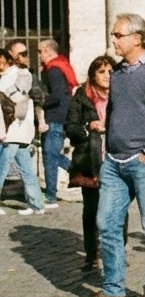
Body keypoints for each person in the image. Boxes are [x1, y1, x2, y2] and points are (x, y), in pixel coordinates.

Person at [74, 14, 145, 297]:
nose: (114, 40)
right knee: (106, 224)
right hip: (114, 163)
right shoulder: (117, 74)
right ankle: (113, 292)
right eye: (113, 35)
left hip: (144, 163)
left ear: (137, 38)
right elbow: (117, 111)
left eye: (118, 35)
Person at [65, 56, 119, 271]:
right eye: (102, 72)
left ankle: (115, 253)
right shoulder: (82, 95)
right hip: (91, 160)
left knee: (118, 209)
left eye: (110, 71)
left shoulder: (121, 94)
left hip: (116, 158)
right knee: (91, 210)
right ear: (92, 75)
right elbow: (70, 126)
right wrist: (89, 127)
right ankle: (91, 253)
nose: (107, 76)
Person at [1, 45, 45, 216]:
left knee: (1, 167)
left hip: (12, 129)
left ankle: (37, 204)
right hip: (20, 130)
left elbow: (13, 98)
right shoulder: (23, 75)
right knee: (26, 169)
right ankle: (37, 205)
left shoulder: (18, 76)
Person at [37, 38, 77, 207]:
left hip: (55, 118)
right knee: (50, 155)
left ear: (48, 51)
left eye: (40, 51)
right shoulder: (61, 66)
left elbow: (58, 95)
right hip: (59, 117)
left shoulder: (53, 70)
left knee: (50, 157)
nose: (38, 55)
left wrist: (39, 100)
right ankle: (77, 171)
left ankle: (51, 195)